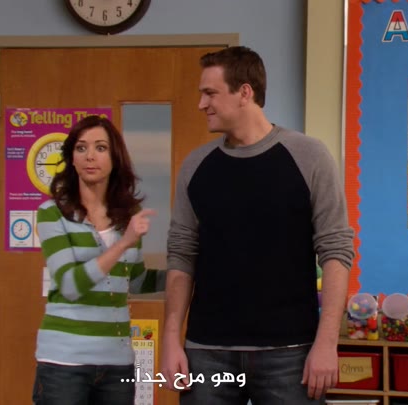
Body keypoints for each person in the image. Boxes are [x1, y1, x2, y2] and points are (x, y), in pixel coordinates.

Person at [160, 46, 355, 404]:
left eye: (210, 93)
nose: (201, 104)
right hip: (206, 350)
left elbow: (336, 251)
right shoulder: (195, 166)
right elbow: (181, 255)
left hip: (291, 352)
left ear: (245, 92)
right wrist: (171, 338)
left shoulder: (309, 156)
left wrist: (327, 343)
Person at [32, 115, 165, 405]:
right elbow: (70, 284)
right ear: (72, 158)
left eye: (100, 148)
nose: (90, 156)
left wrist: (186, 272)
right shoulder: (52, 213)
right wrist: (123, 243)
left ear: (115, 158)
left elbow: (137, 281)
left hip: (117, 364)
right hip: (64, 364)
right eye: (81, 148)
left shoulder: (127, 217)